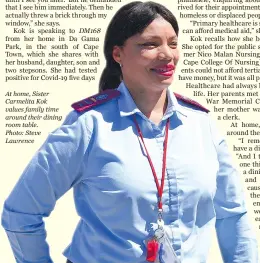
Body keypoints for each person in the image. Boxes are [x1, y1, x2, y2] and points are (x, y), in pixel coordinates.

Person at [1, 2, 258, 263]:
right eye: (150, 44)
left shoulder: (201, 124)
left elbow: (232, 214)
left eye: (173, 43)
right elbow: (21, 213)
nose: (167, 54)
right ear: (118, 54)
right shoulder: (89, 125)